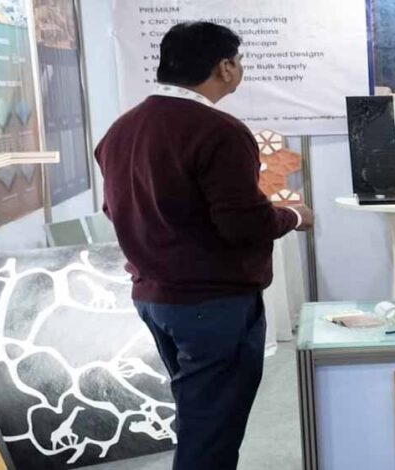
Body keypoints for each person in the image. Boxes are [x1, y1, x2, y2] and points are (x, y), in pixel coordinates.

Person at [95, 22, 313, 470]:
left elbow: (113, 210)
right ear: (225, 67)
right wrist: (294, 216)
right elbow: (243, 224)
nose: (240, 69)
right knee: (212, 427)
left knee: (197, 413)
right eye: (239, 61)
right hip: (212, 302)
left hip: (155, 297)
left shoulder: (122, 128)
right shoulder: (219, 131)